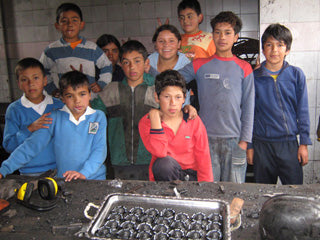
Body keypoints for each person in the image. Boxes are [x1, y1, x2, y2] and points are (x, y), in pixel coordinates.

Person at [91, 40, 197, 180]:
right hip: (118, 161)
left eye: (137, 61)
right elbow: (90, 114)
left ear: (146, 63)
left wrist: (186, 108)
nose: (132, 67)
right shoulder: (110, 91)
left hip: (150, 159)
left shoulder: (156, 90)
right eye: (126, 62)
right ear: (121, 64)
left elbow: (172, 111)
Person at [179, 11, 255, 183]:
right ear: (212, 35)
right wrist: (185, 103)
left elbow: (249, 107)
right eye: (218, 32)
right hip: (206, 140)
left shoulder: (244, 68)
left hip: (235, 140)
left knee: (234, 192)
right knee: (208, 191)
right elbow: (173, 81)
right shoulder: (199, 65)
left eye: (228, 33)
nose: (222, 37)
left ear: (236, 37)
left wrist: (244, 142)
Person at [0, 71, 107, 181]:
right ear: (62, 98)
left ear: (90, 94)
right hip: (65, 179)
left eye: (82, 94)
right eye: (70, 96)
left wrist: (84, 173)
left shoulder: (98, 117)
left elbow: (99, 150)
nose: (77, 101)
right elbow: (31, 146)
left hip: (95, 178)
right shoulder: (53, 118)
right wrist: (4, 169)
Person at [247, 24, 311, 185]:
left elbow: (302, 111)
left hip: (289, 145)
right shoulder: (253, 78)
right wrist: (250, 146)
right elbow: (248, 114)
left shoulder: (296, 75)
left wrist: (303, 143)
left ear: (287, 49)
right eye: (269, 45)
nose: (274, 50)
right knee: (263, 193)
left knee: (294, 192)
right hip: (262, 145)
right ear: (263, 49)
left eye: (280, 45)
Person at [139, 70, 213, 182]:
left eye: (178, 97)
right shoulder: (147, 123)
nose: (173, 103)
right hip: (166, 176)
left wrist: (206, 188)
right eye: (167, 97)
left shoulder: (192, 120)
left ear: (184, 98)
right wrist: (155, 120)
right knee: (163, 164)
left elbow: (204, 157)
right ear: (157, 97)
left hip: (191, 178)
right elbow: (160, 152)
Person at [0, 58, 64, 177]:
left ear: (45, 80)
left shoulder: (59, 106)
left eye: (36, 78)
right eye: (24, 80)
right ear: (18, 84)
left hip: (59, 170)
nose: (31, 83)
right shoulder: (14, 110)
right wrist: (28, 129)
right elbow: (9, 146)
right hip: (28, 173)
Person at [40, 2, 112, 97]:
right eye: (64, 21)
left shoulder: (92, 48)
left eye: (74, 20)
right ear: (57, 26)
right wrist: (52, 89)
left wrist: (101, 84)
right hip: (64, 101)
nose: (70, 24)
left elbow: (107, 65)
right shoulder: (51, 50)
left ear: (81, 25)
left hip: (88, 101)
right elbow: (41, 71)